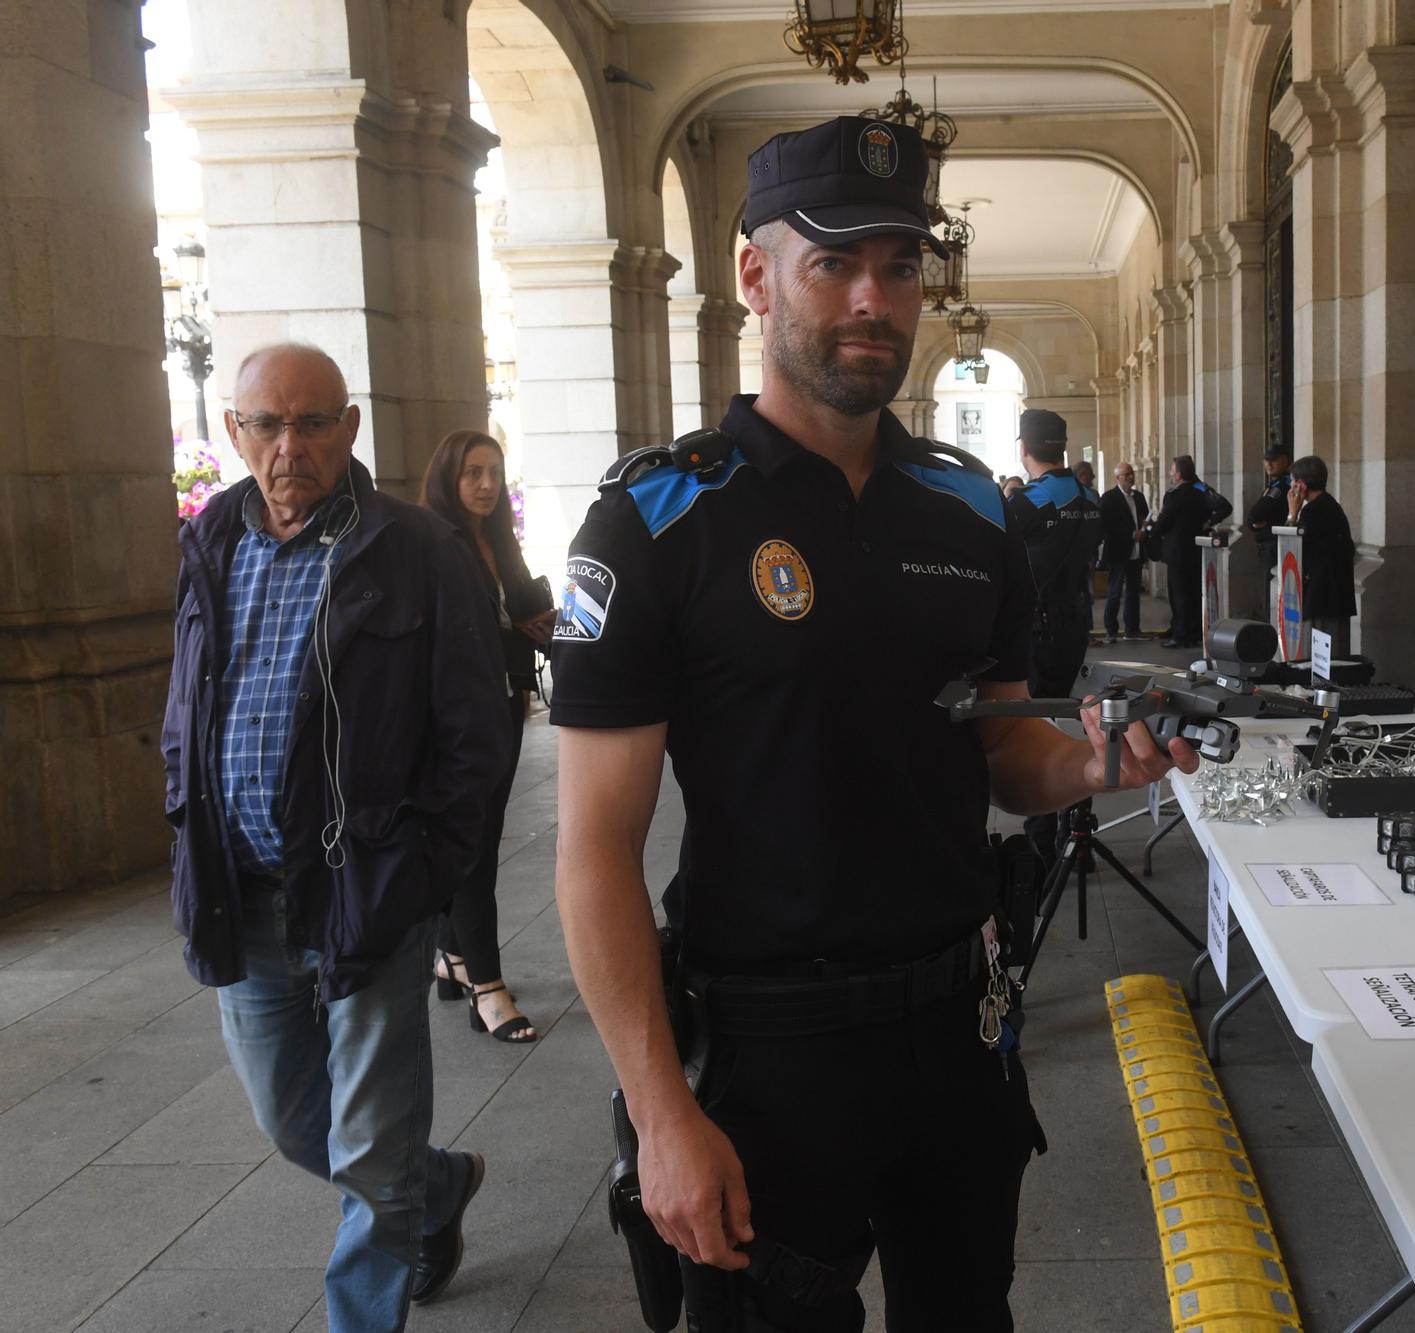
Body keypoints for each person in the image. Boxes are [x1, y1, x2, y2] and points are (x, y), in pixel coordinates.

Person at [549, 115, 1201, 1333]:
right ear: (753, 277)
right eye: (832, 263)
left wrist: (1096, 762)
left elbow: (1006, 751)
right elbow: (592, 848)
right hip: (765, 1054)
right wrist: (659, 1109)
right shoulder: (655, 521)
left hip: (963, 1026)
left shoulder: (963, 508)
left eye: (899, 266)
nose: (871, 299)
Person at [161, 344, 508, 1329]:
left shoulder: (415, 549)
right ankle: (430, 1188)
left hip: (368, 886)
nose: (289, 447)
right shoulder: (212, 543)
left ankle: (373, 1282)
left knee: (370, 1143)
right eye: (266, 425)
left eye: (312, 423)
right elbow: (188, 706)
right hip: (240, 889)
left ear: (349, 428)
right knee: (291, 1117)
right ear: (234, 434)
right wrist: (186, 811)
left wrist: (426, 867)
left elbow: (475, 731)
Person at [419, 430, 555, 1044]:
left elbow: (515, 613)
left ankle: (450, 957)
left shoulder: (497, 540)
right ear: (449, 478)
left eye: (494, 472)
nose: (485, 484)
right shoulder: (431, 544)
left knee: (482, 837)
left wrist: (540, 622)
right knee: (472, 847)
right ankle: (488, 988)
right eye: (472, 472)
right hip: (455, 718)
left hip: (503, 706)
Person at [1005, 408, 1103, 871]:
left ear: (1023, 448)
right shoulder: (1089, 497)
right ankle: (1078, 833)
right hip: (1076, 625)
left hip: (1038, 628)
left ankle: (1044, 840)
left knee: (1037, 730)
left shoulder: (1031, 500)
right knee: (1078, 720)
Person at [1151, 454, 1232, 649]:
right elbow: (1224, 506)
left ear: (1178, 474)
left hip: (1178, 552)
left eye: (1172, 470)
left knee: (1179, 594)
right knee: (1192, 593)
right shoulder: (1201, 490)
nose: (1170, 473)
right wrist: (1209, 522)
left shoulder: (1176, 495)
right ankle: (1188, 629)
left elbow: (1164, 522)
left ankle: (1181, 634)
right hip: (1195, 550)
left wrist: (1151, 531)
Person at [1287, 455, 1357, 657]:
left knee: (1320, 658)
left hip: (1322, 596)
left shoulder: (1312, 511)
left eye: (1293, 481)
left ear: (1301, 485)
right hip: (1334, 595)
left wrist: (1292, 514)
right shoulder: (1330, 505)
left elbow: (1295, 548)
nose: (1291, 487)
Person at [1098, 461, 1150, 640]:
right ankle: (1111, 630)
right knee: (1115, 592)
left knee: (1134, 592)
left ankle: (1132, 629)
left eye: (1131, 473)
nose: (1130, 477)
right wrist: (1130, 534)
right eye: (1126, 474)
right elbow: (1107, 526)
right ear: (1117, 478)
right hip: (1118, 552)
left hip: (1136, 551)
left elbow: (1144, 517)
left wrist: (1145, 527)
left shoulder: (1139, 497)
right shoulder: (1109, 498)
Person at [1245, 444, 1293, 608]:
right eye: (1266, 460)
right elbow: (1251, 520)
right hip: (1271, 545)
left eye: (1273, 460)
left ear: (1285, 461)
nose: (1269, 464)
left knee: (1272, 596)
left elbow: (1254, 515)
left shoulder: (1280, 486)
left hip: (1274, 546)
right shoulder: (1274, 485)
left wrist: (1257, 524)